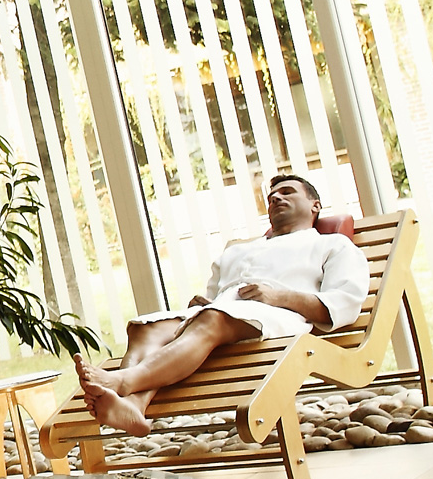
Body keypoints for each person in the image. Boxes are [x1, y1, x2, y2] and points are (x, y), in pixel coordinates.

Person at [75, 173, 369, 435]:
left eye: (287, 192)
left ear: (315, 205)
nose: (276, 197)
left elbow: (344, 303)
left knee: (213, 318)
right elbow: (216, 302)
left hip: (278, 319)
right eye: (271, 196)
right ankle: (133, 406)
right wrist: (205, 304)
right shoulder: (239, 251)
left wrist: (279, 296)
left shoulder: (331, 245)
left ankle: (123, 382)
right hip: (224, 318)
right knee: (145, 327)